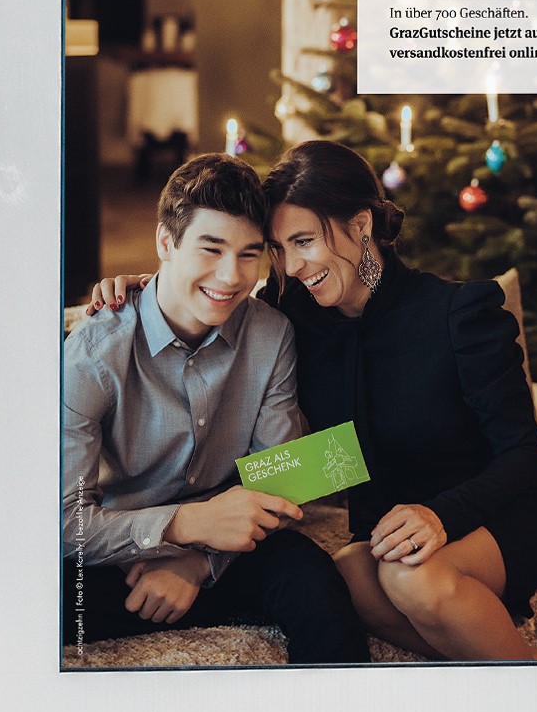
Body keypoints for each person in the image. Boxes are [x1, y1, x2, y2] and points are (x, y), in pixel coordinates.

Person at [261, 140, 537, 662]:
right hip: (390, 534)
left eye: (304, 241)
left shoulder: (459, 313)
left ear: (361, 225)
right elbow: (207, 306)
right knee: (345, 574)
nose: (293, 265)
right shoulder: (294, 319)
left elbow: (523, 454)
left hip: (495, 514)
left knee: (410, 580)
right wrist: (144, 293)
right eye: (280, 248)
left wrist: (439, 515)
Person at [63, 153, 366, 665]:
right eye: (211, 248)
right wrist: (186, 526)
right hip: (117, 546)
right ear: (166, 242)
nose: (230, 277)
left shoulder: (271, 334)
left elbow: (281, 479)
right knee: (29, 599)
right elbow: (64, 523)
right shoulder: (96, 351)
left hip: (233, 544)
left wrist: (199, 562)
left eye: (250, 254)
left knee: (317, 587)